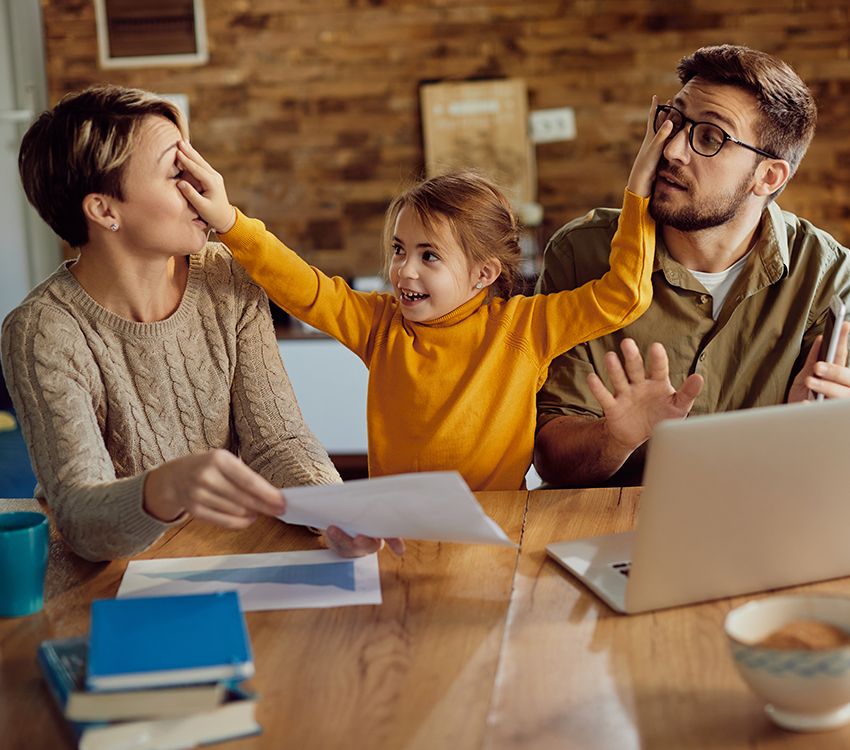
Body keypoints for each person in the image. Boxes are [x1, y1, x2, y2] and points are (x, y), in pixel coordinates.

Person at [172, 98, 669, 507]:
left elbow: (624, 293)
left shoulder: (525, 327)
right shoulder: (380, 324)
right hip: (400, 529)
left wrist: (639, 190)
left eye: (429, 256)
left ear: (483, 274)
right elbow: (305, 287)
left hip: (498, 526)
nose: (404, 270)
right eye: (399, 249)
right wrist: (231, 223)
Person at [1, 85, 341, 562]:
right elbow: (79, 516)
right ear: (104, 210)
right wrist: (165, 488)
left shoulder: (227, 275)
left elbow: (277, 441)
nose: (204, 188)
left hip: (226, 553)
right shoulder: (41, 331)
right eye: (176, 171)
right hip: (109, 578)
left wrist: (335, 509)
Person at [534, 44, 850, 488]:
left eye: (709, 137)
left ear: (769, 176)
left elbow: (824, 473)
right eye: (674, 120)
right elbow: (550, 456)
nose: (673, 149)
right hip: (605, 531)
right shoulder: (581, 254)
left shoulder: (827, 276)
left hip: (757, 525)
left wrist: (816, 429)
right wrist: (615, 438)